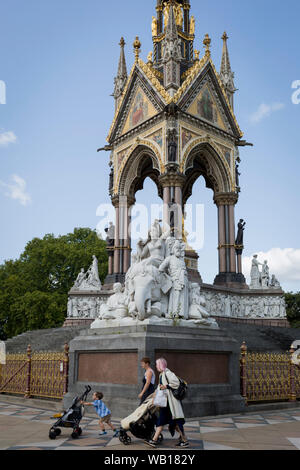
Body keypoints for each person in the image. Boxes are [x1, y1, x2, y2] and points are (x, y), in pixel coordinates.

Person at [147, 358, 189, 448]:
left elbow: (176, 383)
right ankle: (154, 440)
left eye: (157, 365)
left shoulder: (168, 373)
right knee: (161, 421)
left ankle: (184, 440)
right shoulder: (162, 374)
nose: (156, 366)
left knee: (177, 423)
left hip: (171, 404)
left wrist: (166, 386)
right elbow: (160, 387)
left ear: (160, 365)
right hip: (165, 403)